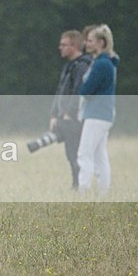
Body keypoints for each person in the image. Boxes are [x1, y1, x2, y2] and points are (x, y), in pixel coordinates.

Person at [77, 24, 120, 194]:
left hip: (96, 114)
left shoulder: (101, 64)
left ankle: (84, 191)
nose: (86, 44)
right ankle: (103, 192)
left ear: (101, 43)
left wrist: (83, 89)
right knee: (99, 156)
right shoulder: (107, 63)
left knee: (84, 154)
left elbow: (86, 90)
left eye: (90, 41)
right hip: (103, 114)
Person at [49, 30, 91, 189]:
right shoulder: (69, 66)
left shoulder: (81, 67)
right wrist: (54, 114)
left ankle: (79, 185)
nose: (60, 47)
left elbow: (78, 92)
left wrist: (69, 113)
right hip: (64, 117)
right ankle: (76, 184)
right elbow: (61, 91)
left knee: (75, 154)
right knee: (70, 154)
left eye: (64, 44)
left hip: (74, 119)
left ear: (74, 46)